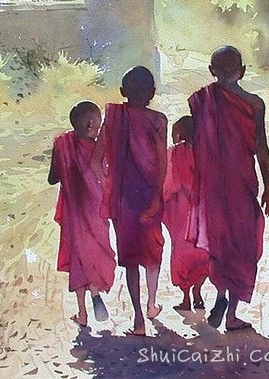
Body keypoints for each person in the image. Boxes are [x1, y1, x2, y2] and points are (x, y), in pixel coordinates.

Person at [187, 45, 269, 331]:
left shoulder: (200, 100)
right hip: (242, 183)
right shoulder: (254, 104)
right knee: (243, 244)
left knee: (219, 242)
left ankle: (220, 295)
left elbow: (196, 144)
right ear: (243, 71)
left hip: (212, 186)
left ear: (211, 71)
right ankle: (232, 314)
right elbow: (261, 148)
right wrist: (268, 187)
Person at [90, 66, 167, 336]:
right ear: (153, 93)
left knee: (131, 258)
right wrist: (157, 196)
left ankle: (138, 319)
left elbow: (95, 161)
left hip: (123, 199)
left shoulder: (114, 118)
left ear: (123, 92)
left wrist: (108, 185)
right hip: (148, 195)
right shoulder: (158, 120)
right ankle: (151, 304)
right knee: (153, 251)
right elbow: (162, 163)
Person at [48, 101, 115, 327]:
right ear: (91, 125)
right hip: (96, 211)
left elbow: (52, 178)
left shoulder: (62, 143)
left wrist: (66, 162)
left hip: (73, 211)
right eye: (99, 122)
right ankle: (95, 291)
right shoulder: (99, 149)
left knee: (78, 257)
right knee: (95, 252)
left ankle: (82, 313)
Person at [163, 116, 209, 311]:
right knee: (202, 253)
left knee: (182, 253)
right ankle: (198, 292)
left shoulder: (174, 153)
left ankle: (186, 297)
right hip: (202, 210)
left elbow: (169, 184)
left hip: (181, 211)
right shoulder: (207, 153)